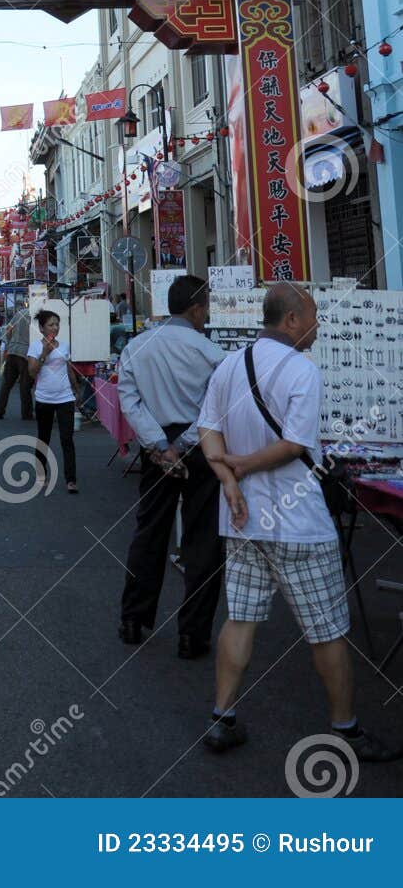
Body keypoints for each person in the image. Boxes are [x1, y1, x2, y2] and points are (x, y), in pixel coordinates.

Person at [199, 282, 401, 761]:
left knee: (241, 619)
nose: (316, 325)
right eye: (311, 315)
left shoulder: (230, 365)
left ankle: (221, 719)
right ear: (290, 320)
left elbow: (208, 430)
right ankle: (346, 730)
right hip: (298, 522)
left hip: (243, 518)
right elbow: (294, 445)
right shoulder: (302, 371)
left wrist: (228, 479)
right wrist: (242, 468)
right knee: (327, 629)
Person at [116, 273, 225, 657]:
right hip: (201, 447)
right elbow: (218, 408)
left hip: (157, 450)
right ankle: (192, 635)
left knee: (150, 531)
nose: (206, 316)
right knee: (204, 538)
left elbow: (128, 401)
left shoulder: (137, 346)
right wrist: (185, 441)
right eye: (205, 308)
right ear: (196, 309)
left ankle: (133, 619)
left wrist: (160, 445)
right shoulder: (212, 354)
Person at [27, 310, 82, 492]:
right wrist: (44, 352)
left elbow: (68, 368)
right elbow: (31, 372)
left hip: (65, 397)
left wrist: (76, 389)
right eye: (51, 324)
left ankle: (71, 479)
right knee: (44, 437)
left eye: (57, 324)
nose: (55, 328)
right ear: (42, 328)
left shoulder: (64, 346)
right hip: (44, 398)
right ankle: (41, 474)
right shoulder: (35, 347)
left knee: (67, 438)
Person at [0, 304, 34, 421]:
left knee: (6, 383)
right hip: (26, 353)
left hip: (13, 350)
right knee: (25, 385)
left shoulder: (20, 312)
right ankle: (26, 413)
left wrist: (10, 342)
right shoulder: (37, 316)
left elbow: (9, 329)